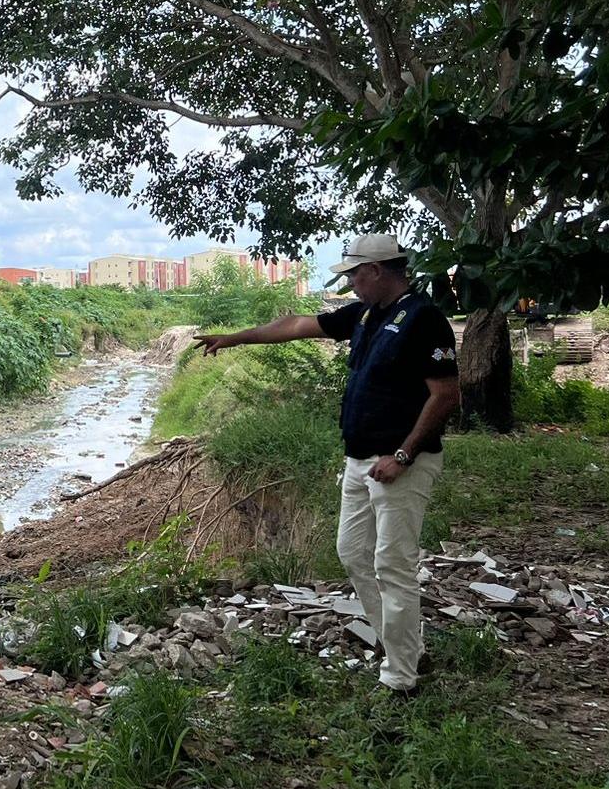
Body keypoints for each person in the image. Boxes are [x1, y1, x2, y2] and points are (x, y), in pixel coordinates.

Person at [194, 234, 461, 696]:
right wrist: (234, 339)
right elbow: (296, 324)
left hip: (400, 464)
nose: (351, 284)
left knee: (392, 564)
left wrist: (402, 455)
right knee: (353, 553)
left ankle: (401, 679)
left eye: (354, 275)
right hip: (359, 461)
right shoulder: (365, 315)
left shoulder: (424, 319)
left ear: (376, 271)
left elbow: (445, 395)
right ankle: (405, 648)